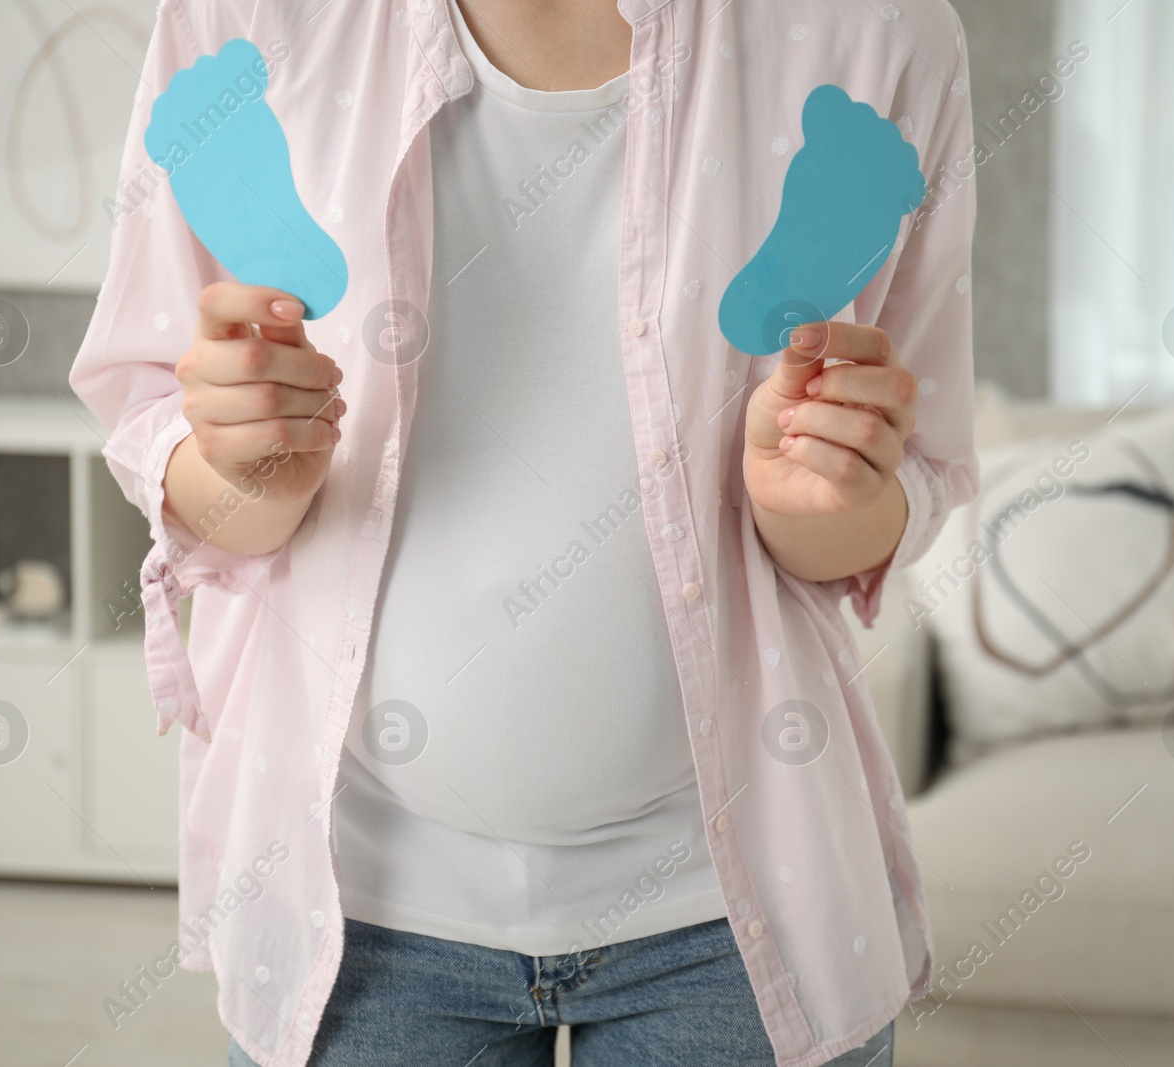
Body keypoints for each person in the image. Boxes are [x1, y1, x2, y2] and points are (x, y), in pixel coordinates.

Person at [70, 0, 977, 1064]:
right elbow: (168, 438)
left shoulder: (879, 34)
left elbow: (885, 501)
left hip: (736, 921)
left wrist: (812, 492)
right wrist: (243, 466)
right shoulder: (243, 18)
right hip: (358, 910)